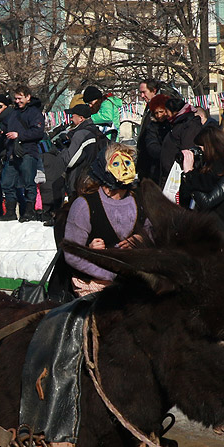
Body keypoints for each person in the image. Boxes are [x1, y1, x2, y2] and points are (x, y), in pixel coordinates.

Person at [63, 144, 149, 296]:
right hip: (95, 284)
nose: (124, 168)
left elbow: (153, 232)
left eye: (127, 162)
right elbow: (72, 254)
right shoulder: (85, 205)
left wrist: (140, 238)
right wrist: (94, 257)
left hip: (133, 281)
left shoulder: (140, 201)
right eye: (117, 163)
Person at [179, 125, 224, 240]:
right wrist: (188, 175)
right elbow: (184, 201)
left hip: (220, 234)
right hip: (198, 229)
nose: (199, 153)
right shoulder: (204, 169)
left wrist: (190, 175)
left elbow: (207, 202)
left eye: (201, 148)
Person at [1, 85, 46, 222]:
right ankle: (10, 212)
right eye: (15, 99)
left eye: (20, 98)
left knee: (28, 182)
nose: (17, 101)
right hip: (12, 153)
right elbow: (5, 124)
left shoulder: (34, 113)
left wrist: (19, 135)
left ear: (28, 97)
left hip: (27, 152)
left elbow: (38, 132)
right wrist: (0, 129)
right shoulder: (13, 113)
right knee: (7, 183)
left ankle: (29, 211)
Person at [147, 93, 204, 184]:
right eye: (156, 113)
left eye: (162, 111)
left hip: (177, 173)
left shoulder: (187, 125)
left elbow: (186, 148)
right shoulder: (156, 126)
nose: (159, 115)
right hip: (164, 171)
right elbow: (151, 145)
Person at [56, 103, 105, 204]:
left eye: (72, 116)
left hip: (79, 182)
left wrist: (62, 149)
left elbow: (69, 161)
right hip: (95, 179)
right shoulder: (96, 131)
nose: (71, 119)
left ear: (81, 118)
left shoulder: (82, 134)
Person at [136, 78, 170, 182]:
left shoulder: (163, 108)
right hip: (146, 162)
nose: (142, 96)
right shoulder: (149, 106)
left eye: (144, 92)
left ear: (154, 90)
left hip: (155, 166)